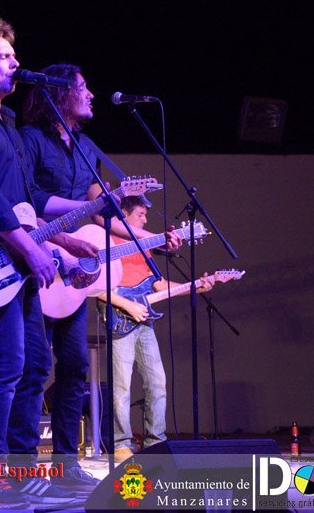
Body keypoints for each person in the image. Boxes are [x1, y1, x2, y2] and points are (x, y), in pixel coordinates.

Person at [0, 19, 100, 508]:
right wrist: (29, 249)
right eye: (3, 56)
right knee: (7, 364)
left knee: (33, 363)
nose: (15, 63)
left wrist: (63, 238)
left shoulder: (7, 122)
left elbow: (26, 201)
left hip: (18, 257)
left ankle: (20, 471)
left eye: (14, 55)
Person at [21, 64, 181, 483]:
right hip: (40, 263)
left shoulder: (86, 147)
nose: (91, 94)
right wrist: (73, 224)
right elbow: (27, 199)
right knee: (34, 367)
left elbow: (102, 211)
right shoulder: (31, 139)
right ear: (60, 94)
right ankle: (19, 466)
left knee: (75, 367)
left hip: (74, 277)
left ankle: (66, 465)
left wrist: (152, 238)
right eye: (83, 87)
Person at [96, 195, 213, 463]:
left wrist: (194, 286)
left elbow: (157, 285)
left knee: (157, 382)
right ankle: (121, 443)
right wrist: (128, 305)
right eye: (140, 215)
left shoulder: (143, 247)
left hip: (144, 320)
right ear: (123, 215)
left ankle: (155, 442)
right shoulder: (107, 243)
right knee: (121, 386)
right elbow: (95, 287)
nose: (146, 220)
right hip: (120, 317)